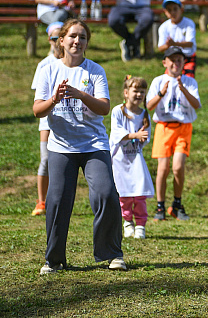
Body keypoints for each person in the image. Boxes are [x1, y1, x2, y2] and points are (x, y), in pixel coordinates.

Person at [33, 19, 126, 274]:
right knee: (56, 200)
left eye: (82, 37)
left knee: (106, 193)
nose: (77, 41)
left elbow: (104, 108)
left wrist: (81, 94)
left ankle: (112, 254)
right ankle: (54, 260)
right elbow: (37, 111)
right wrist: (54, 98)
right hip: (61, 146)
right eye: (72, 36)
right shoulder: (47, 70)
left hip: (93, 144)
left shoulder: (94, 70)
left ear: (87, 43)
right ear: (61, 40)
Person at [146, 46, 201, 221]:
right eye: (172, 60)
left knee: (178, 166)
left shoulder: (190, 81)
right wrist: (162, 92)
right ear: (165, 62)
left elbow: (197, 105)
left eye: (179, 60)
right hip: (163, 127)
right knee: (163, 168)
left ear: (184, 62)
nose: (176, 63)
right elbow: (149, 106)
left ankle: (177, 204)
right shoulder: (158, 81)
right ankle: (160, 206)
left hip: (183, 128)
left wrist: (183, 88)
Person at [110, 75, 154, 240]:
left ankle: (141, 224)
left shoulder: (144, 114)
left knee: (139, 193)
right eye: (136, 91)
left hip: (135, 159)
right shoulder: (118, 111)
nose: (139, 95)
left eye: (142, 92)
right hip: (120, 160)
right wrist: (135, 134)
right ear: (126, 92)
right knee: (124, 194)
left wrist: (141, 139)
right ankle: (127, 222)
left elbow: (146, 137)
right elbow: (117, 134)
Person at [30, 22, 64, 217]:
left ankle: (57, 200)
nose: (56, 42)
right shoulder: (44, 64)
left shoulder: (75, 62)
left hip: (68, 119)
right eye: (53, 38)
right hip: (47, 119)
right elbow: (39, 96)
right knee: (46, 159)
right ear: (49, 40)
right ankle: (41, 201)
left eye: (60, 37)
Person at [157, 0, 197, 77]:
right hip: (172, 58)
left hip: (187, 57)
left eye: (175, 9)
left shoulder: (189, 23)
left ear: (181, 9)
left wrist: (174, 44)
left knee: (188, 80)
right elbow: (160, 48)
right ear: (165, 12)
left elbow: (190, 43)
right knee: (169, 80)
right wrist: (168, 45)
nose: (172, 12)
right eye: (169, 10)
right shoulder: (163, 27)